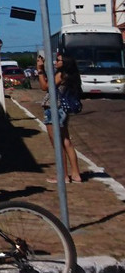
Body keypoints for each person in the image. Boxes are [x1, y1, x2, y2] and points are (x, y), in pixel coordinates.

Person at [40, 53, 83, 184]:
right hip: (63, 110)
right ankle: (75, 174)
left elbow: (45, 87)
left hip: (54, 109)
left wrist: (40, 70)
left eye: (58, 60)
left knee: (57, 144)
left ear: (64, 63)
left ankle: (63, 175)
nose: (55, 62)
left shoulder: (60, 75)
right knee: (66, 141)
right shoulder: (71, 76)